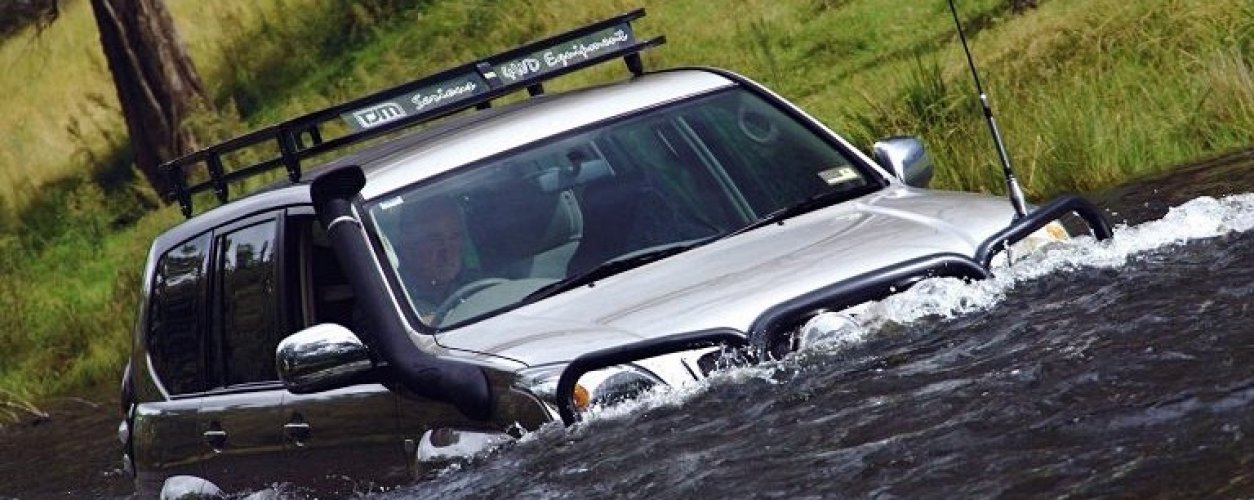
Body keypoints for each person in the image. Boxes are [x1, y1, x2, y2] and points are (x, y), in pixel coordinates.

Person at [396, 194, 477, 323]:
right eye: (435, 240)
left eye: (455, 237)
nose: (448, 251)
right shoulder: (393, 301)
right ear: (408, 246)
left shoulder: (482, 284)